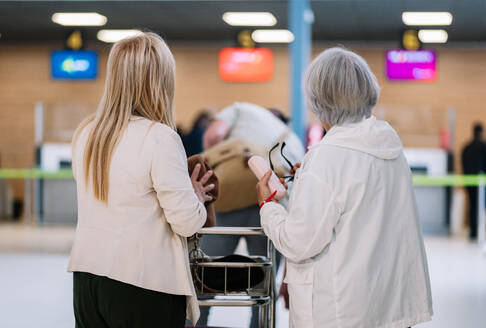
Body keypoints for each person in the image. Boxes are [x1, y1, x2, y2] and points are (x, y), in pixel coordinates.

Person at [256, 47, 433, 327]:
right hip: (388, 310)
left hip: (341, 314)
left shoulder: (327, 157)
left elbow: (298, 241)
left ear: (317, 99)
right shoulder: (390, 148)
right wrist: (309, 182)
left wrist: (268, 206)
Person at [68, 32, 214, 327]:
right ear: (160, 82)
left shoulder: (86, 133)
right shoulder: (159, 137)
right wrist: (196, 195)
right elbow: (186, 222)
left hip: (87, 279)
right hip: (141, 284)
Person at [197, 102, 305, 328]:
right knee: (263, 285)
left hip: (227, 202)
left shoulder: (241, 109)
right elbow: (296, 207)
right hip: (268, 208)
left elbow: (214, 134)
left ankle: (196, 323)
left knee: (206, 276)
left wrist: (210, 160)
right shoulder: (294, 142)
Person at [461, 123, 486, 240]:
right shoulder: (485, 146)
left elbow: (463, 166)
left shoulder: (466, 147)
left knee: (473, 207)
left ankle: (473, 234)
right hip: (483, 182)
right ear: (482, 132)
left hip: (470, 182)